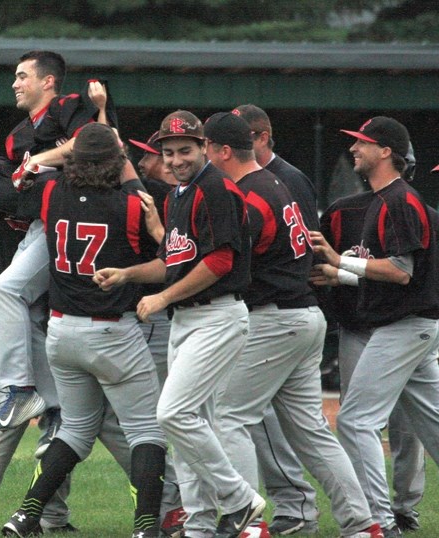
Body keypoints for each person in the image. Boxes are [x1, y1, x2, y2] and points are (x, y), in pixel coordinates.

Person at [204, 112, 380, 538]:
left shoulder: (250, 193)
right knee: (311, 432)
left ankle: (248, 525)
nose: (205, 156)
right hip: (301, 315)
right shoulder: (275, 183)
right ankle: (363, 525)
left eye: (207, 147)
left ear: (223, 150)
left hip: (273, 318)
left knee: (228, 417)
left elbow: (233, 264)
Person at [95, 110, 265, 538]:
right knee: (191, 426)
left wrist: (164, 297)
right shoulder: (178, 195)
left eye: (184, 150)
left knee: (173, 414)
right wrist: (128, 274)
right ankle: (200, 525)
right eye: (168, 152)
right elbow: (172, 263)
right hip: (189, 319)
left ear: (205, 147)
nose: (175, 159)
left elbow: (220, 261)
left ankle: (240, 500)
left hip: (217, 316)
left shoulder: (216, 188)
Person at [3, 122, 167, 538]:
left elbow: (30, 174)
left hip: (61, 331)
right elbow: (171, 262)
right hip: (112, 331)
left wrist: (67, 152)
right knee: (147, 432)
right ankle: (147, 526)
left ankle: (25, 515)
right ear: (116, 160)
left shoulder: (51, 192)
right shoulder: (132, 203)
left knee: (75, 431)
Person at [310, 117, 439, 537]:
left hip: (404, 326)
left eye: (363, 143)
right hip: (412, 324)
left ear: (386, 151)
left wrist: (337, 259)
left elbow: (402, 272)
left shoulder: (399, 199)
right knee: (433, 423)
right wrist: (342, 276)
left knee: (355, 421)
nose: (354, 150)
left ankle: (380, 522)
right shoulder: (385, 199)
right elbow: (397, 275)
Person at [0, 50, 117, 433]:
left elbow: (93, 145)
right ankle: (57, 409)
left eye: (23, 75)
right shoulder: (17, 135)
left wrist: (37, 161)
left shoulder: (71, 106)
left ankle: (21, 389)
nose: (15, 83)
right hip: (39, 224)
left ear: (48, 81)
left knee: (6, 291)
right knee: (30, 313)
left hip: (72, 225)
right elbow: (10, 174)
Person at [0, 157, 78, 534]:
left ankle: (51, 513)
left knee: (62, 413)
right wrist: (29, 170)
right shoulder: (0, 172)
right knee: (12, 408)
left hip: (32, 313)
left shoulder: (56, 192)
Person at [232, 104, 320, 536]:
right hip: (283, 310)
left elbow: (301, 248)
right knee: (302, 427)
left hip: (278, 310)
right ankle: (363, 520)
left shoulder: (286, 179)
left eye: (245, 136)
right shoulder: (257, 180)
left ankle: (281, 510)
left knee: (247, 416)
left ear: (263, 137)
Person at [129, 130, 186, 535]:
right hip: (174, 315)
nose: (158, 163)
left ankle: (176, 508)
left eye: (163, 155)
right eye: (158, 154)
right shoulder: (173, 196)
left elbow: (176, 263)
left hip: (173, 315)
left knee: (170, 417)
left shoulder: (175, 198)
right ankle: (173, 507)